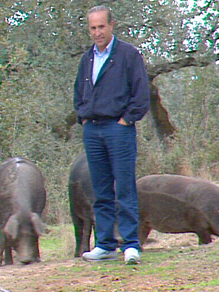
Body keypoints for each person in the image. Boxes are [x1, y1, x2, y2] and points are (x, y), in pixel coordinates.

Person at [73, 5, 150, 265]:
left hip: (119, 130)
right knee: (101, 190)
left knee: (125, 188)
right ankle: (105, 244)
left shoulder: (129, 55)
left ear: (111, 25)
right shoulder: (87, 59)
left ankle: (130, 245)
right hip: (92, 131)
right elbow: (78, 93)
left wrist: (125, 121)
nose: (97, 33)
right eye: (92, 28)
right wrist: (82, 118)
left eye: (101, 27)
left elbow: (141, 96)